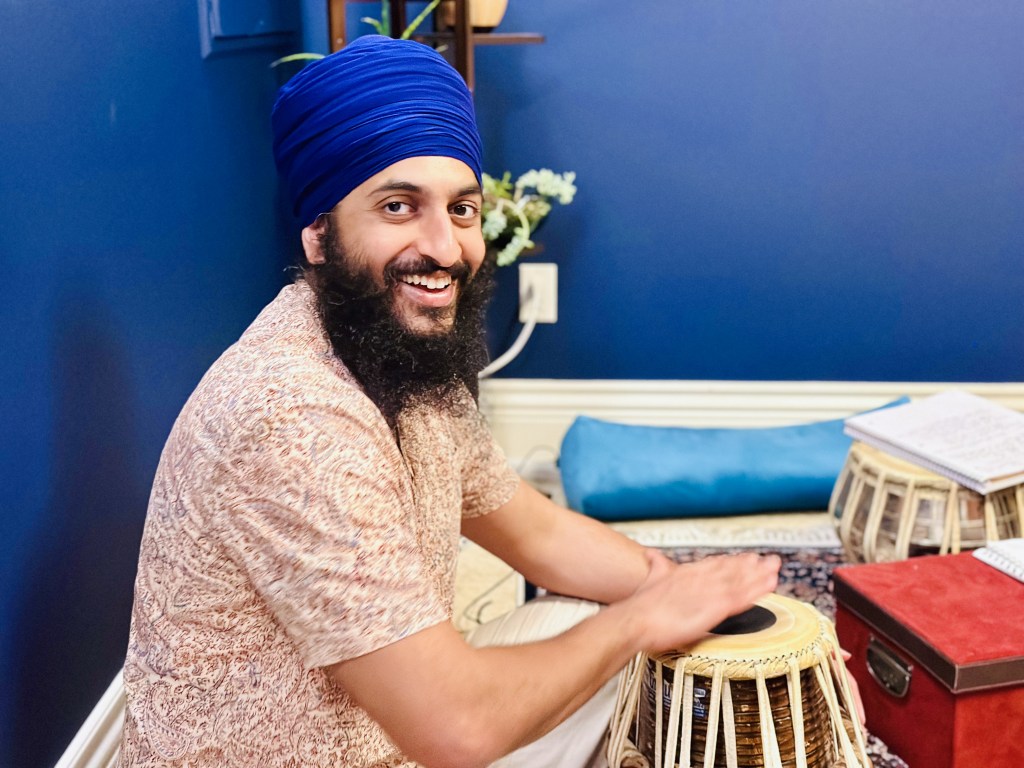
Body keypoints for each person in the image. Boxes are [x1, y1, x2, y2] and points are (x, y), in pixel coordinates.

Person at [118, 35, 782, 768]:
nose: (445, 246)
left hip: (399, 739)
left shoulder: (401, 357)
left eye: (462, 209)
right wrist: (641, 622)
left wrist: (686, 591)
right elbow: (457, 729)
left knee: (601, 626)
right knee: (617, 639)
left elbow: (537, 536)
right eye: (398, 206)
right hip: (377, 743)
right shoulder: (293, 415)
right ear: (318, 235)